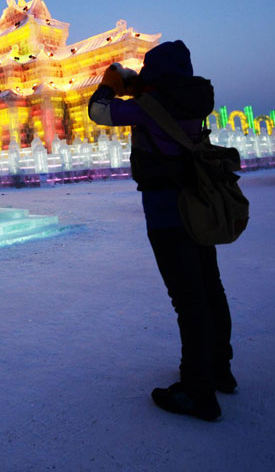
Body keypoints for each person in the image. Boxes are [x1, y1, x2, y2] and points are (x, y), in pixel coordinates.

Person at [88, 40, 234, 422]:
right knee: (210, 288)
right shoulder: (192, 100)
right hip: (198, 207)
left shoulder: (149, 107)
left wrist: (110, 83)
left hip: (167, 214)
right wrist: (140, 87)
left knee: (188, 300)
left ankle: (197, 391)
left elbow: (98, 112)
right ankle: (220, 369)